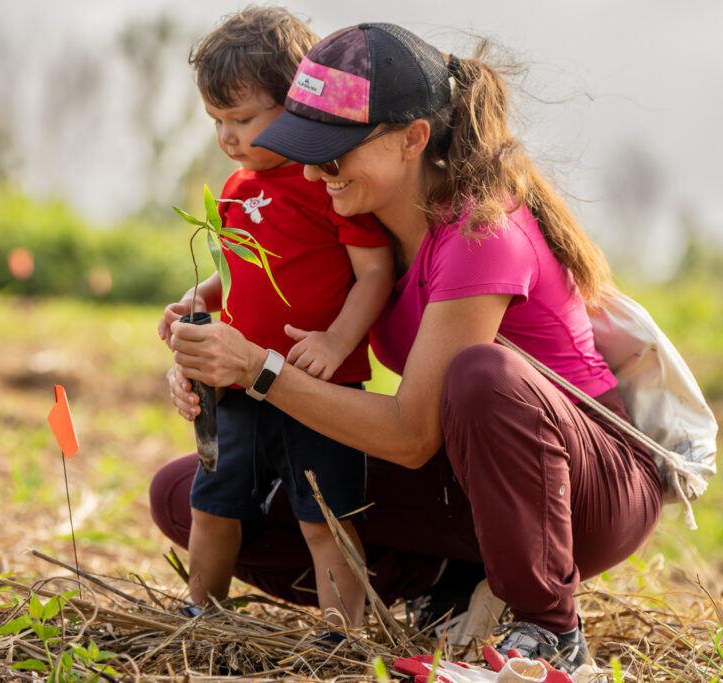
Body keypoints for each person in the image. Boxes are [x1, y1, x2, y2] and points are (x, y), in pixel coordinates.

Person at [153, 22, 664, 673]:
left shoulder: (480, 230)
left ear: (411, 139)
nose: (314, 169)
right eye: (304, 147)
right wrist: (207, 354)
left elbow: (410, 434)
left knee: (482, 375)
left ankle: (548, 622)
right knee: (185, 494)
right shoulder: (362, 230)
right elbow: (266, 296)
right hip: (471, 485)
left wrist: (256, 369)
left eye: (334, 151)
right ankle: (448, 584)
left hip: (588, 484)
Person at [156, 8, 394, 630]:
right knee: (213, 506)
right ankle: (200, 616)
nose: (229, 137)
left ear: (296, 106)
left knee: (325, 521)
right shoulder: (236, 187)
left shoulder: (328, 180)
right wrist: (196, 299)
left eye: (243, 118)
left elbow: (374, 273)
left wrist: (338, 340)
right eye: (217, 122)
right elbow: (237, 272)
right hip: (235, 385)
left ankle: (347, 636)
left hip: (319, 386)